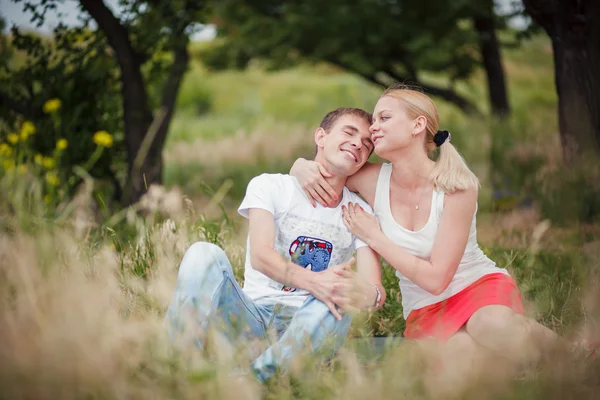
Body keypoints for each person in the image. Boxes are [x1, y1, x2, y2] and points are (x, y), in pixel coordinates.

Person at [291, 85, 597, 374]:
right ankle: (519, 370)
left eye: (384, 118)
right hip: (424, 308)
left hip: (477, 288)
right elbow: (327, 170)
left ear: (417, 125)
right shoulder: (371, 179)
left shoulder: (457, 187)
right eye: (375, 121)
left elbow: (437, 279)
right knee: (461, 365)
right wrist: (299, 166)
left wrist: (375, 237)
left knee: (490, 326)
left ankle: (577, 361)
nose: (373, 128)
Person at [165, 107, 386, 384]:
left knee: (340, 295)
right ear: (320, 136)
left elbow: (374, 288)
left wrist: (364, 293)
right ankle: (175, 369)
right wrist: (317, 282)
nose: (358, 143)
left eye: (367, 144)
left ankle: (251, 381)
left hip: (312, 326)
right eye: (349, 133)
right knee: (202, 252)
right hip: (252, 318)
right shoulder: (270, 186)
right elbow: (261, 256)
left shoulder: (358, 211)